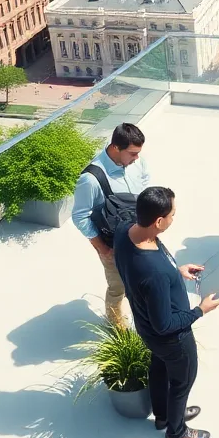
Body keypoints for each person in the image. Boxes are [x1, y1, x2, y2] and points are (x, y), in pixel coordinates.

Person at [115, 186, 219, 438]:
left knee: (160, 368)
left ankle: (164, 415)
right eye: (172, 215)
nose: (174, 218)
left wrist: (177, 271)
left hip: (146, 329)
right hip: (172, 338)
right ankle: (176, 431)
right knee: (181, 381)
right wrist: (200, 309)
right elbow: (165, 325)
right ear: (159, 221)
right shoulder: (154, 272)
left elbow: (148, 276)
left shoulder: (124, 232)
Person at [71, 123, 149, 325]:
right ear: (115, 148)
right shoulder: (90, 179)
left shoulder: (136, 162)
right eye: (132, 154)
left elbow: (146, 183)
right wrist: (102, 248)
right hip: (112, 244)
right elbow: (80, 216)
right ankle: (117, 328)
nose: (137, 158)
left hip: (140, 236)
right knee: (118, 288)